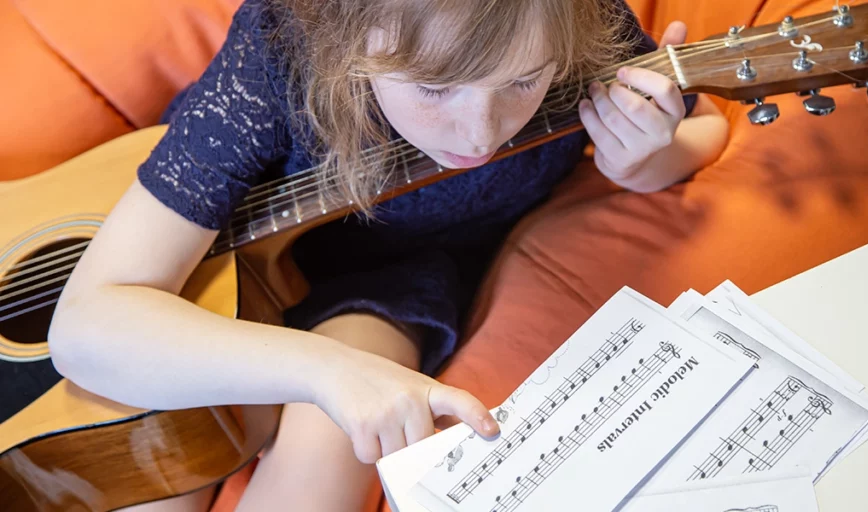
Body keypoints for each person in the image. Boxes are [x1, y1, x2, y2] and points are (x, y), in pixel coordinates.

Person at [48, 0, 729, 510]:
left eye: (523, 82)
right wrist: (323, 369)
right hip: (214, 260)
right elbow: (86, 326)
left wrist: (645, 157)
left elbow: (703, 123)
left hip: (391, 276)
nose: (481, 131)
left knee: (335, 441)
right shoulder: (279, 48)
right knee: (146, 450)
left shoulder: (577, 19)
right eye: (435, 88)